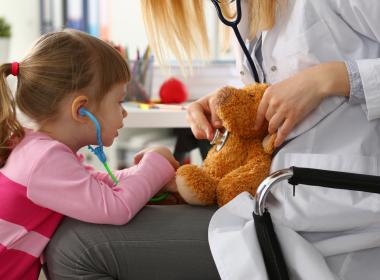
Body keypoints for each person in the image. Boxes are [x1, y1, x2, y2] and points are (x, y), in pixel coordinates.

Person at [46, 0, 380, 279]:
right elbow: (274, 91)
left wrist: (333, 78)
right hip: (266, 203)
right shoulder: (247, 12)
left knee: (76, 248)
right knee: (71, 236)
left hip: (335, 217)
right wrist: (227, 104)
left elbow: (315, 79)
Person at [0, 29, 180, 280]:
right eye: (119, 102)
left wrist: (146, 175)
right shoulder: (44, 160)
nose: (124, 113)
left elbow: (99, 185)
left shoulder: (39, 150)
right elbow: (116, 208)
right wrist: (157, 162)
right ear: (82, 110)